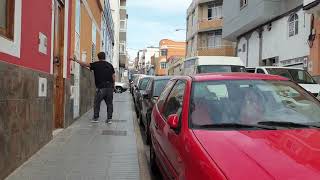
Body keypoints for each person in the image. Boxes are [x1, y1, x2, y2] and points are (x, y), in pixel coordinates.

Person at [71, 52, 115, 124]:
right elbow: (113, 77)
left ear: (98, 57)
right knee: (109, 104)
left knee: (97, 103)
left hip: (101, 88)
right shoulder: (110, 65)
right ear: (105, 57)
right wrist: (113, 86)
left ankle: (96, 118)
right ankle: (109, 119)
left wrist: (76, 60)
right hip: (109, 88)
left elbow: (86, 64)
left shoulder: (96, 64)